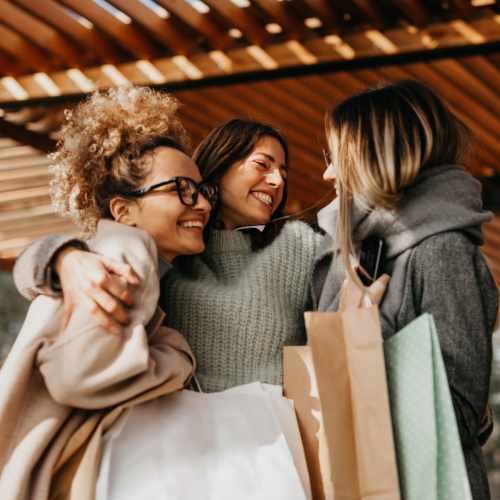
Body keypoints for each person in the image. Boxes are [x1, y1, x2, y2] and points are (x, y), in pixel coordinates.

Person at [0, 86, 219, 499]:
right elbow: (75, 376)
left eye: (203, 191)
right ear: (123, 211)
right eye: (181, 190)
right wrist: (175, 358)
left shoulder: (97, 256)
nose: (203, 205)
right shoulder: (125, 251)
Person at [13, 119, 326, 393]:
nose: (278, 181)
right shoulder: (176, 249)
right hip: (183, 438)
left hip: (273, 436)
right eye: (262, 165)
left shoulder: (299, 242)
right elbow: (35, 269)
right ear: (218, 167)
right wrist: (63, 257)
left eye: (283, 171)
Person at [312, 80, 499, 500]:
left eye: (336, 156)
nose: (327, 173)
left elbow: (461, 415)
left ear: (379, 154)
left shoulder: (441, 248)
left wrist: (364, 340)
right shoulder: (351, 251)